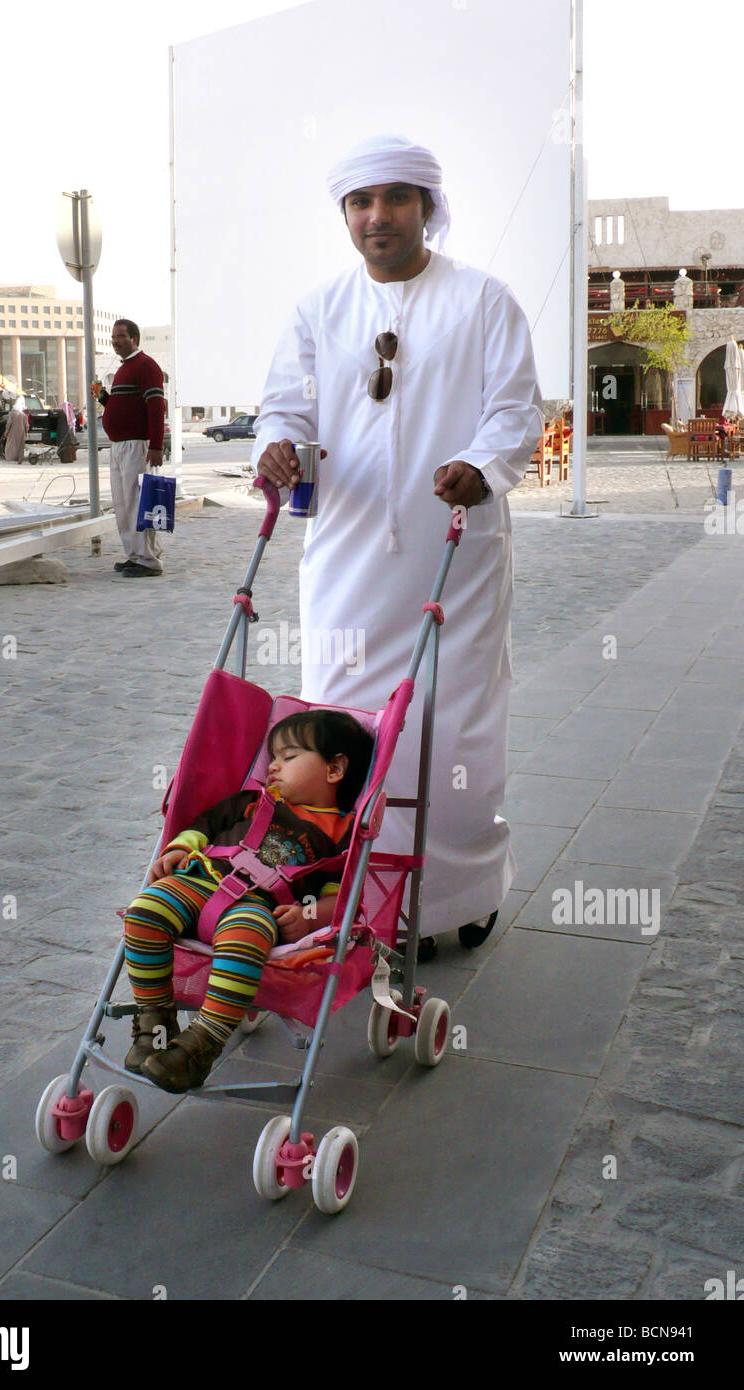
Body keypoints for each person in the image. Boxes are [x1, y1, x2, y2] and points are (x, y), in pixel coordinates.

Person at [253, 134, 544, 948]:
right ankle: (344, 898)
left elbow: (515, 411)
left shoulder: (484, 299)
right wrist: (276, 444)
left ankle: (458, 894)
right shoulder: (319, 309)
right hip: (347, 561)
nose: (378, 216)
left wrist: (480, 467)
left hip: (455, 555)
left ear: (427, 208)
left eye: (396, 199)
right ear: (345, 214)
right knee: (341, 732)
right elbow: (285, 408)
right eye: (361, 202)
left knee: (451, 729)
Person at [122, 708, 373, 1092]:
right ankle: (155, 1018)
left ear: (335, 769)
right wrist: (178, 849)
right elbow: (203, 826)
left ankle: (203, 1041)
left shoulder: (341, 834)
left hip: (258, 905)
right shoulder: (251, 802)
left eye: (288, 758)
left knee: (248, 938)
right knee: (143, 913)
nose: (273, 766)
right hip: (201, 877)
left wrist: (309, 917)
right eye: (273, 758)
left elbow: (338, 896)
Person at [99, 318, 166, 577]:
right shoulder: (124, 369)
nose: (115, 341)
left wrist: (157, 446)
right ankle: (135, 554)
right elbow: (127, 406)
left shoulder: (146, 366)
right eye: (113, 337)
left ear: (134, 339)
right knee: (123, 503)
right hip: (119, 446)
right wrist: (106, 400)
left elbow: (155, 408)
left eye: (121, 336)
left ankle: (148, 560)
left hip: (137, 446)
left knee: (138, 502)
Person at [2, 400, 27, 464]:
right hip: (22, 432)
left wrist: (6, 431)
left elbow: (9, 423)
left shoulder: (12, 414)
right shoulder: (24, 415)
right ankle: (20, 459)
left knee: (11, 445)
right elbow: (26, 425)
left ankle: (10, 458)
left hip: (13, 431)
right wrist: (26, 432)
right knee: (21, 446)